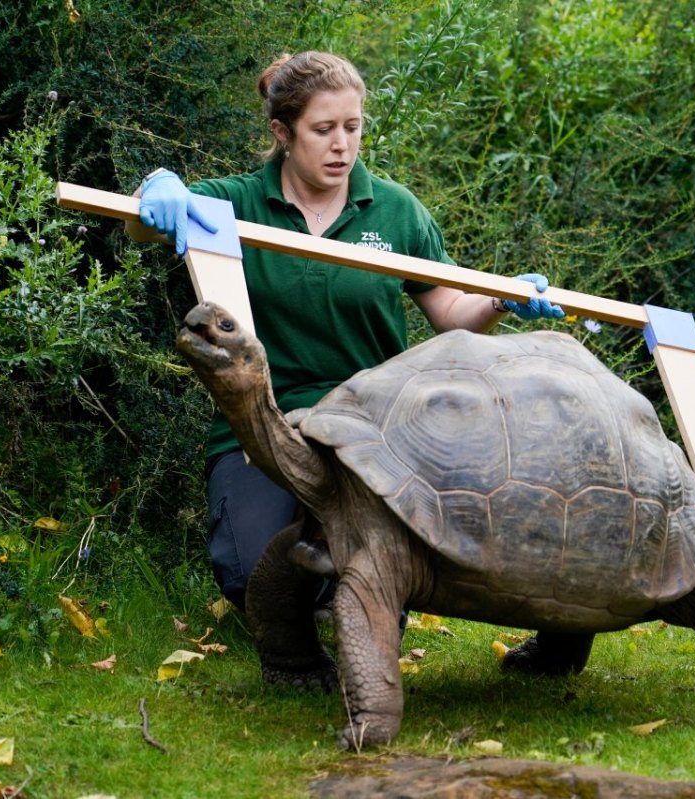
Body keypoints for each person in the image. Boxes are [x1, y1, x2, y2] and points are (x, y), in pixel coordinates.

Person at [127, 50, 564, 618]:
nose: (342, 145)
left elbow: (451, 309)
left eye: (353, 128)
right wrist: (158, 187)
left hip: (373, 432)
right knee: (252, 573)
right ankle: (312, 598)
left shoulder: (396, 212)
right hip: (264, 427)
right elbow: (140, 223)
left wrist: (500, 298)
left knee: (374, 576)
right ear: (282, 132)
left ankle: (360, 594)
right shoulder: (232, 203)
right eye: (324, 130)